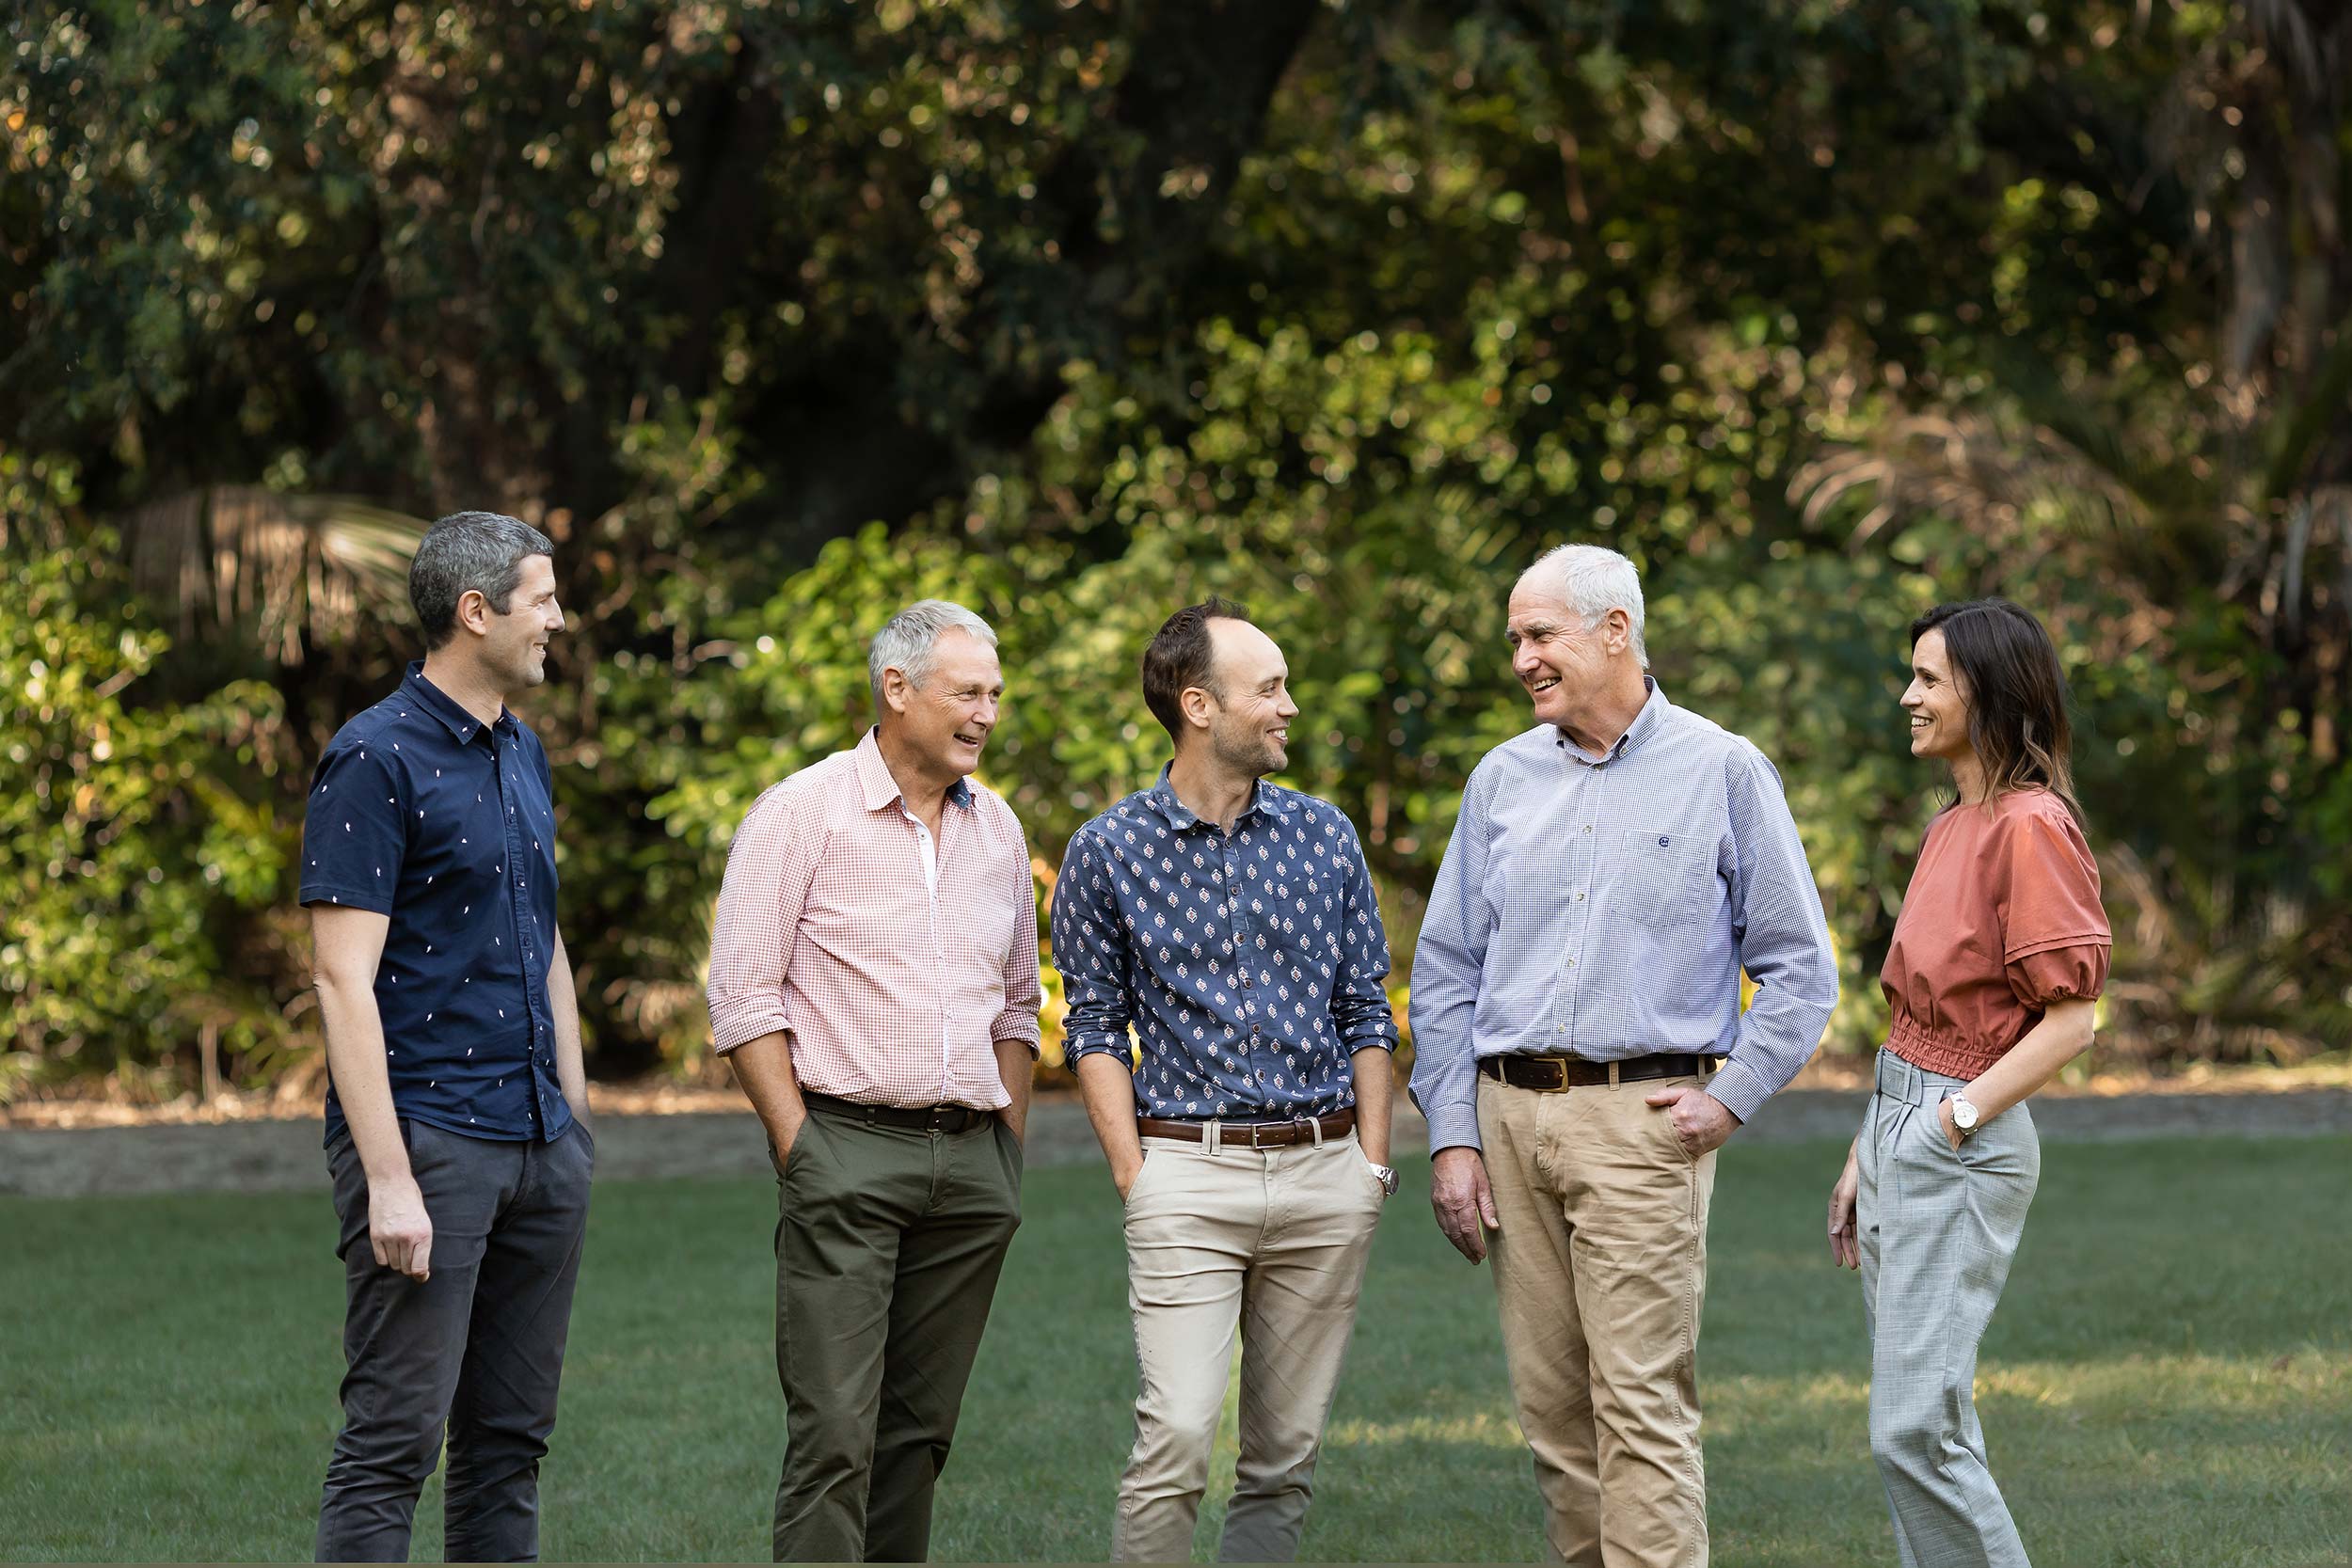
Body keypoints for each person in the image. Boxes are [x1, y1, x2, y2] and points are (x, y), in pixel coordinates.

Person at [1409, 543, 1839, 1568]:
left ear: (1616, 631)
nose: (1520, 657)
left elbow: (1800, 969)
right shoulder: (1500, 778)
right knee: (1553, 1415)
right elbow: (1443, 972)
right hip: (1508, 1121)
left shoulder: (1722, 769)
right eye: (1515, 636)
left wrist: (1728, 1099)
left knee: (1640, 1404)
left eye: (1538, 633)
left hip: (1644, 1125)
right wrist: (1453, 1137)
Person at [1050, 597, 1399, 1563]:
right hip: (1185, 1178)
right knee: (1174, 1440)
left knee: (1282, 1457)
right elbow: (1093, 1025)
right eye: (1271, 687)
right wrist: (1135, 1171)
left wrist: (1370, 1165)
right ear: (1198, 704)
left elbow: (1366, 1007)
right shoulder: (1108, 849)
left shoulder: (1324, 836)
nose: (1289, 705)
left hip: (1325, 1173)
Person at [706, 598, 1041, 1563]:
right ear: (896, 689)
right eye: (966, 692)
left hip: (971, 1167)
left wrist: (1005, 1155)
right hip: (844, 1150)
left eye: (994, 695)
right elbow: (742, 995)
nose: (985, 713)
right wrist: (798, 1143)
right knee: (835, 1439)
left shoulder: (1000, 829)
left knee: (918, 1436)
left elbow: (1019, 1006)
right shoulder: (800, 811)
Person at [304, 510, 592, 1562]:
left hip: (537, 1139)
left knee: (509, 1442)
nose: (560, 616)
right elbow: (342, 978)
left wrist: (574, 1118)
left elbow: (541, 931)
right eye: (544, 596)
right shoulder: (372, 756)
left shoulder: (523, 747)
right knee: (392, 1444)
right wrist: (388, 1175)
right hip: (429, 1137)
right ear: (477, 612)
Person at [1825, 600, 2109, 1568]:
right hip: (1903, 1121)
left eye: (1928, 678)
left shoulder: (2030, 826)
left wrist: (1949, 1117)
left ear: (1984, 694)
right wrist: (1870, 1141)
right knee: (1927, 1429)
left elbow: (2072, 1016)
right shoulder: (1955, 822)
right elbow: (1915, 1015)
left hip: (1957, 1138)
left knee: (1914, 1429)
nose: (1908, 695)